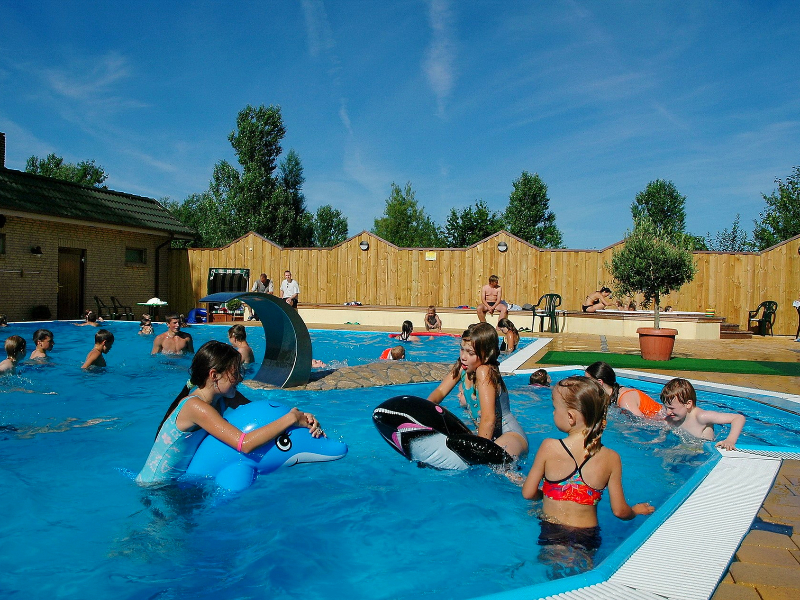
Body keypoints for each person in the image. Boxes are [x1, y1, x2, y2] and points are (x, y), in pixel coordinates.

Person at [136, 340, 323, 484]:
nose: (240, 378)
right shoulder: (195, 406)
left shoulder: (223, 397)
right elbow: (244, 444)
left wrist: (303, 418)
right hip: (156, 485)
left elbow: (263, 416)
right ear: (214, 375)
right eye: (235, 373)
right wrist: (291, 419)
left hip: (179, 482)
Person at [521, 376, 654, 576]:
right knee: (581, 580)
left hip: (552, 530)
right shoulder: (611, 458)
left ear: (571, 417)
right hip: (587, 535)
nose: (553, 412)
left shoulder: (549, 447)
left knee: (552, 578)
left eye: (555, 408)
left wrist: (548, 494)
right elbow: (619, 511)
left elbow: (528, 493)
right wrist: (635, 510)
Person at [427, 322, 528, 459]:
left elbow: (488, 418)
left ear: (486, 356)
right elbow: (440, 392)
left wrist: (478, 453)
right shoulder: (462, 368)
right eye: (462, 349)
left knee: (497, 468)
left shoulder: (484, 371)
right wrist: (423, 412)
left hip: (510, 435)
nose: (463, 356)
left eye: (470, 353)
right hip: (490, 436)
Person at [660, 378, 745, 450]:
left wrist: (730, 440)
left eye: (671, 408)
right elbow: (665, 431)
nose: (667, 412)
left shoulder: (701, 417)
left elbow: (738, 418)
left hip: (703, 452)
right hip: (687, 448)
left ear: (688, 404)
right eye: (666, 407)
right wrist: (660, 438)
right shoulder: (672, 418)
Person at [585, 361, 663, 419]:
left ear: (599, 382)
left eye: (587, 380)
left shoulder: (625, 399)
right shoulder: (612, 394)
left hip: (663, 421)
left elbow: (642, 423)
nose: (585, 384)